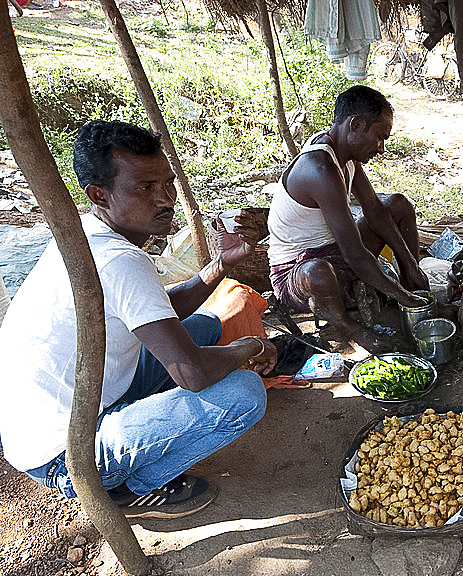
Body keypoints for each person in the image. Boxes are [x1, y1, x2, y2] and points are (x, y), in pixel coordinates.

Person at [0, 120, 276, 518]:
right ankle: (132, 488)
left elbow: (154, 311)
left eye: (167, 184)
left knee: (204, 326)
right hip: (66, 453)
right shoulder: (119, 260)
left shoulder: (87, 232)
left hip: (66, 409)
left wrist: (221, 265)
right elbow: (193, 374)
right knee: (243, 394)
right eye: (145, 188)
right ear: (100, 194)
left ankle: (129, 455)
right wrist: (250, 345)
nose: (166, 199)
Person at [267, 85, 428, 350]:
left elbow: (374, 209)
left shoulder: (344, 151)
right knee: (319, 274)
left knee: (398, 205)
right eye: (379, 137)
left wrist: (410, 263)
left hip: (334, 253)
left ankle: (412, 283)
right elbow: (355, 254)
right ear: (355, 124)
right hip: (295, 273)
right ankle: (348, 328)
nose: (381, 148)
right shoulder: (320, 169)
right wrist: (402, 297)